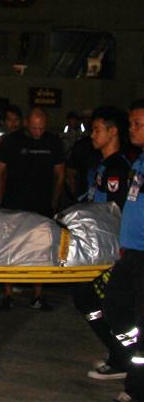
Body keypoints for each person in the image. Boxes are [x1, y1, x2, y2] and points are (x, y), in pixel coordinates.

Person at [73, 106, 131, 381]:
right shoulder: (104, 166)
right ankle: (117, 352)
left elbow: (114, 212)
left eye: (97, 129)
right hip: (96, 245)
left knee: (100, 302)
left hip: (109, 249)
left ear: (112, 131)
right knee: (89, 300)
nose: (92, 135)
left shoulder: (118, 168)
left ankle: (123, 358)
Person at [0, 107, 65, 311]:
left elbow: (60, 174)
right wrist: (0, 201)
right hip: (14, 203)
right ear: (26, 123)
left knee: (40, 250)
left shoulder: (53, 141)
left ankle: (38, 295)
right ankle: (8, 294)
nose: (38, 132)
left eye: (42, 128)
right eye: (34, 128)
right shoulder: (12, 141)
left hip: (41, 205)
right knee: (10, 248)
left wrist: (54, 201)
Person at [103, 100, 144, 402]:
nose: (132, 129)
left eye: (137, 124)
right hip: (130, 252)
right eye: (131, 123)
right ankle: (130, 355)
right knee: (115, 308)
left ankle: (138, 387)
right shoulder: (139, 162)